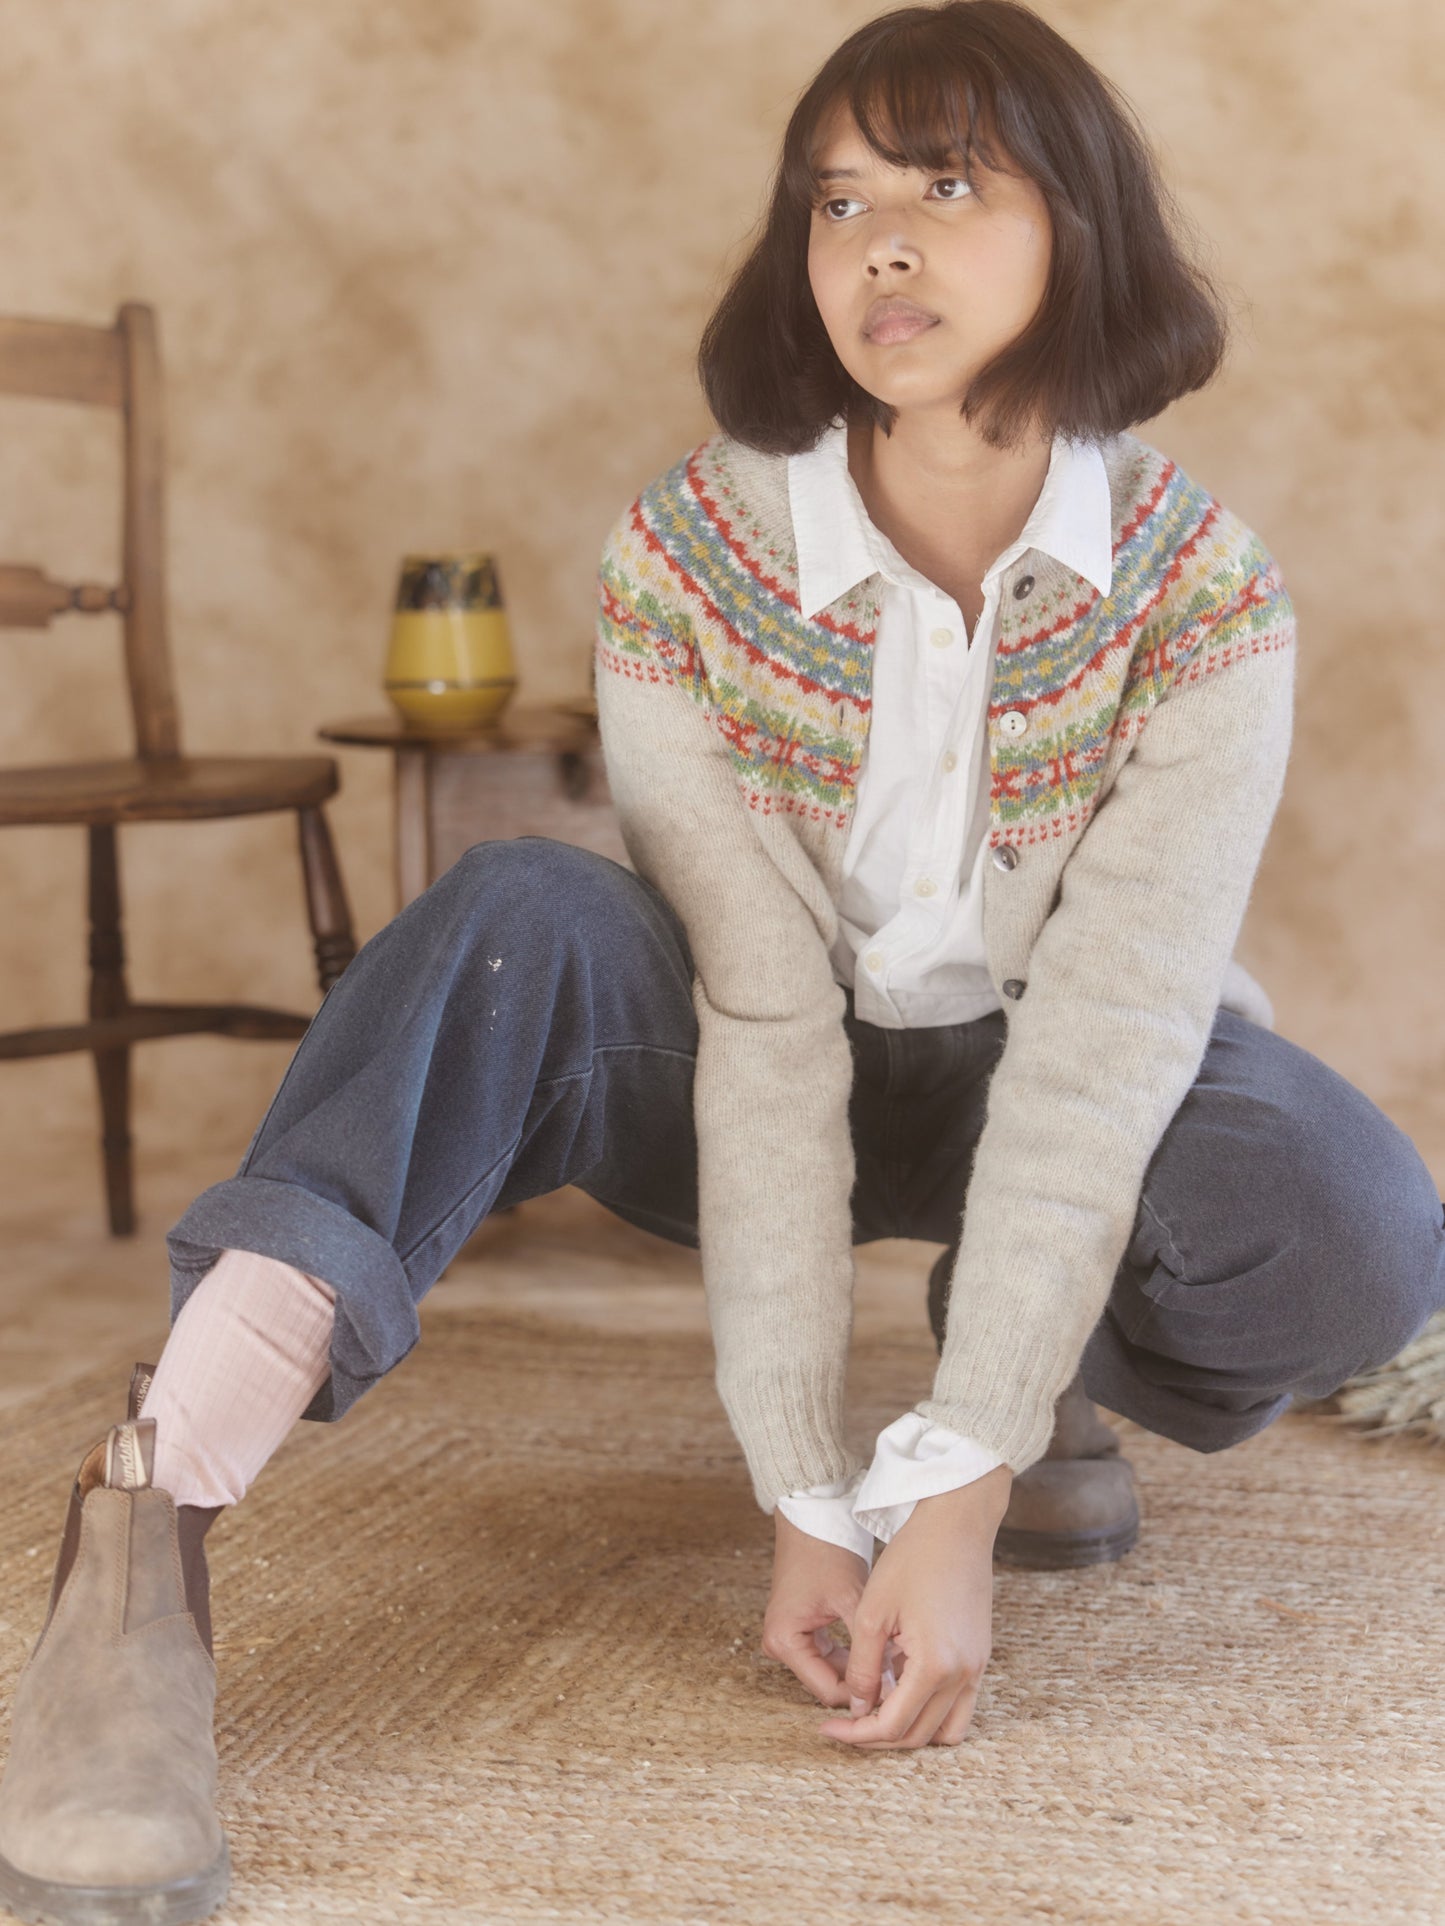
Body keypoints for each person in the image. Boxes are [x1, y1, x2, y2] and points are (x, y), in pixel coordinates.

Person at [4, 2, 1443, 1920]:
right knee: (516, 916)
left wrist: (946, 1490)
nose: (882, 248)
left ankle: (1013, 1382)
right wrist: (798, 1485)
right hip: (742, 1066)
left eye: (946, 187)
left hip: (1054, 1069)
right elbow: (761, 1023)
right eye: (836, 201)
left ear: (1080, 227)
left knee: (1350, 1221)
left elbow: (1108, 1047)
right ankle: (141, 1537)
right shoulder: (685, 556)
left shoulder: (1202, 594)